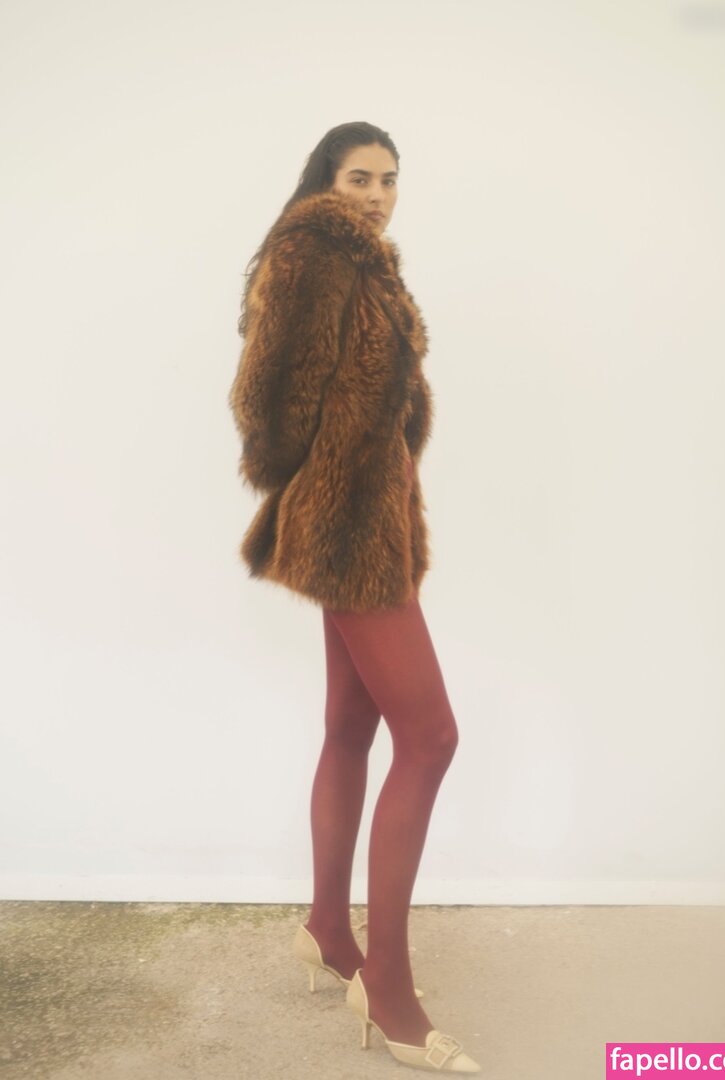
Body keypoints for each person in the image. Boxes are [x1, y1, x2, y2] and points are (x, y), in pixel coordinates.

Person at [229, 122, 481, 1073]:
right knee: (433, 737)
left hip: (368, 522)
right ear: (325, 182)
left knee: (351, 726)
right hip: (350, 530)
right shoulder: (313, 255)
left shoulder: (363, 263)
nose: (377, 195)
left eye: (389, 179)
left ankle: (329, 931)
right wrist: (317, 486)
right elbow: (266, 399)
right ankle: (389, 986)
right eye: (359, 178)